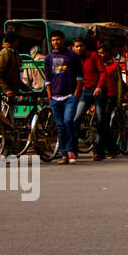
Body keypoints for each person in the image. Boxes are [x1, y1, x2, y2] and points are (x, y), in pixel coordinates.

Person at [43, 31, 84, 164]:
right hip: (55, 97)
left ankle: (71, 149)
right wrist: (50, 96)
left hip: (70, 96)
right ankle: (64, 154)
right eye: (53, 40)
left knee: (68, 121)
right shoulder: (48, 58)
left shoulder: (72, 56)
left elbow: (79, 77)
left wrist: (76, 95)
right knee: (60, 126)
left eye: (58, 39)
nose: (56, 42)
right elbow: (47, 79)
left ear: (63, 40)